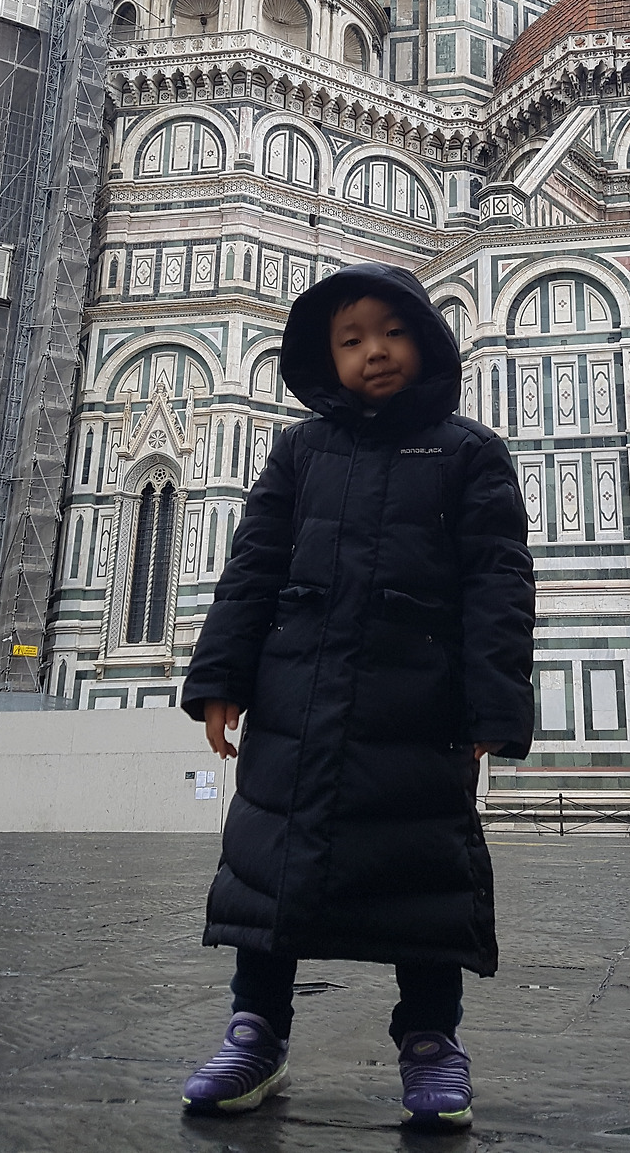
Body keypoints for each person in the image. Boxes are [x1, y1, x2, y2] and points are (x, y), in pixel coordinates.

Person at [180, 262, 535, 1128]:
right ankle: (256, 1031)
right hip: (296, 695)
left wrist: (495, 703)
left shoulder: (467, 453)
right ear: (324, 357)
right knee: (271, 867)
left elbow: (498, 584)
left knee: (425, 874)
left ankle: (432, 1040)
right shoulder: (300, 452)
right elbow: (253, 567)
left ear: (428, 341)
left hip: (420, 705)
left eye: (393, 331)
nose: (375, 351)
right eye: (351, 339)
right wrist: (220, 678)